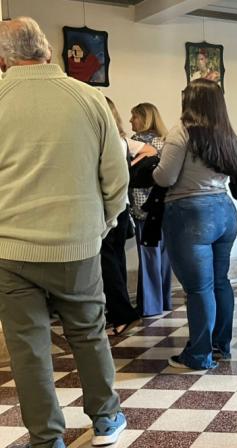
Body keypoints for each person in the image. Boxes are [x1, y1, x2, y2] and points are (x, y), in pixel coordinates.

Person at [0, 17, 127, 447]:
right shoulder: (89, 98)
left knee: (28, 347)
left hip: (10, 249)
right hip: (76, 242)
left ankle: (45, 438)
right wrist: (102, 223)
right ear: (48, 50)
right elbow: (116, 178)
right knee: (89, 333)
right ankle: (106, 420)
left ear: (2, 60)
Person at [152, 79, 237, 369]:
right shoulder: (227, 133)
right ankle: (221, 347)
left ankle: (199, 355)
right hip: (224, 210)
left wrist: (152, 166)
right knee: (220, 281)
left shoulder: (181, 132)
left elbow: (165, 177)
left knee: (199, 288)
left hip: (191, 214)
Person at [102, 97, 144, 336]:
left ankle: (122, 315)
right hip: (121, 208)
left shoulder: (110, 142)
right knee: (115, 262)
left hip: (110, 209)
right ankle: (120, 312)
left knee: (107, 264)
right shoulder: (121, 141)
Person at [128, 102, 173, 317]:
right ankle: (164, 300)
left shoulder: (137, 141)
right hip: (163, 204)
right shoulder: (165, 142)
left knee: (148, 257)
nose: (131, 120)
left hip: (142, 206)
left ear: (144, 118)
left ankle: (150, 305)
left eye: (134, 117)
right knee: (163, 256)